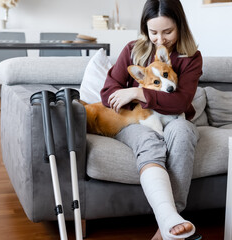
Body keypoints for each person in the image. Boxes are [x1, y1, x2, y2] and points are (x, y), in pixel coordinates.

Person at [100, 0, 203, 239]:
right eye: (153, 32)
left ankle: (165, 227)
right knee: (149, 138)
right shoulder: (132, 50)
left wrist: (137, 92)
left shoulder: (191, 58)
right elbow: (107, 94)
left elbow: (181, 102)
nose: (160, 39)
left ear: (180, 26)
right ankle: (169, 222)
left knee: (183, 131)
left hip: (175, 117)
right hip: (135, 120)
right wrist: (131, 96)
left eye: (167, 31)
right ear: (144, 29)